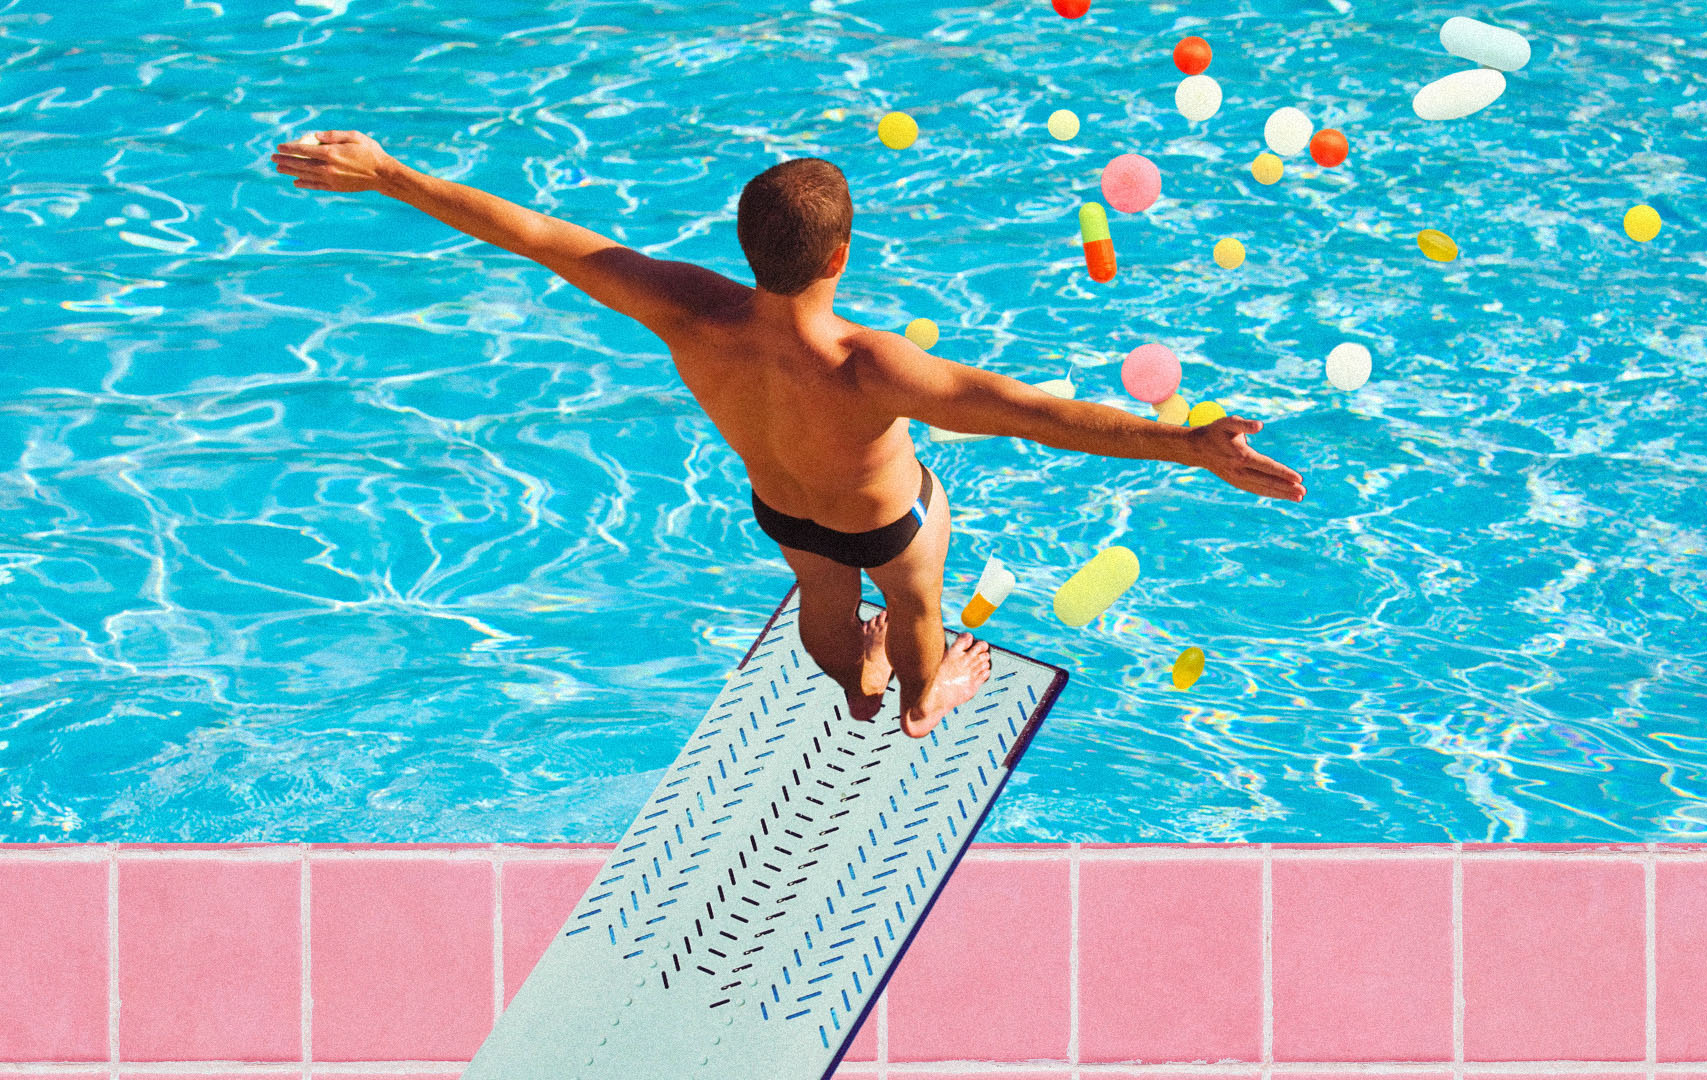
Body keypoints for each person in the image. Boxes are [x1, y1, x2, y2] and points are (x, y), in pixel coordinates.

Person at [269, 132, 1307, 739]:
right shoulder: (873, 365)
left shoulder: (687, 308)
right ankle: (916, 698)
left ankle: (853, 689)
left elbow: (536, 234)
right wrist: (1193, 445)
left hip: (787, 513)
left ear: (742, 245)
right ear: (843, 251)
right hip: (888, 527)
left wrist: (392, 175)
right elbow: (1033, 416)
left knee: (821, 605)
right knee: (915, 603)